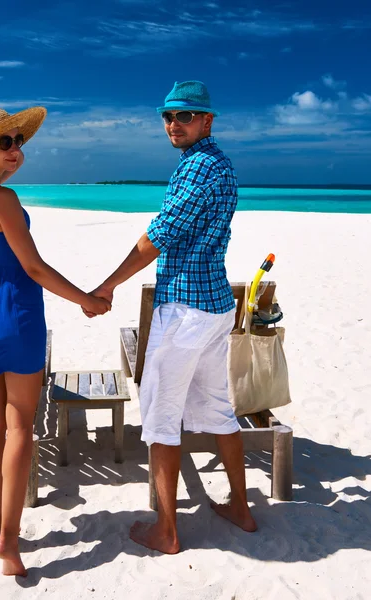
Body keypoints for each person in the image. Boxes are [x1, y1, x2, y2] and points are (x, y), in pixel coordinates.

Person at [0, 105, 111, 576]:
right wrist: (85, 299)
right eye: (4, 143)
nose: (15, 150)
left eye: (18, 141)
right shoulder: (3, 200)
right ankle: (8, 542)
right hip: (14, 310)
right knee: (20, 427)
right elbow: (33, 268)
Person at [87, 81, 257, 554]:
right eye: (167, 116)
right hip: (216, 305)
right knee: (220, 411)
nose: (173, 124)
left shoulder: (199, 168)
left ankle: (167, 530)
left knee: (162, 420)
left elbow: (157, 236)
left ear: (207, 120)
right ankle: (240, 509)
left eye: (184, 115)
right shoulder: (218, 165)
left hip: (185, 310)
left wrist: (107, 285)